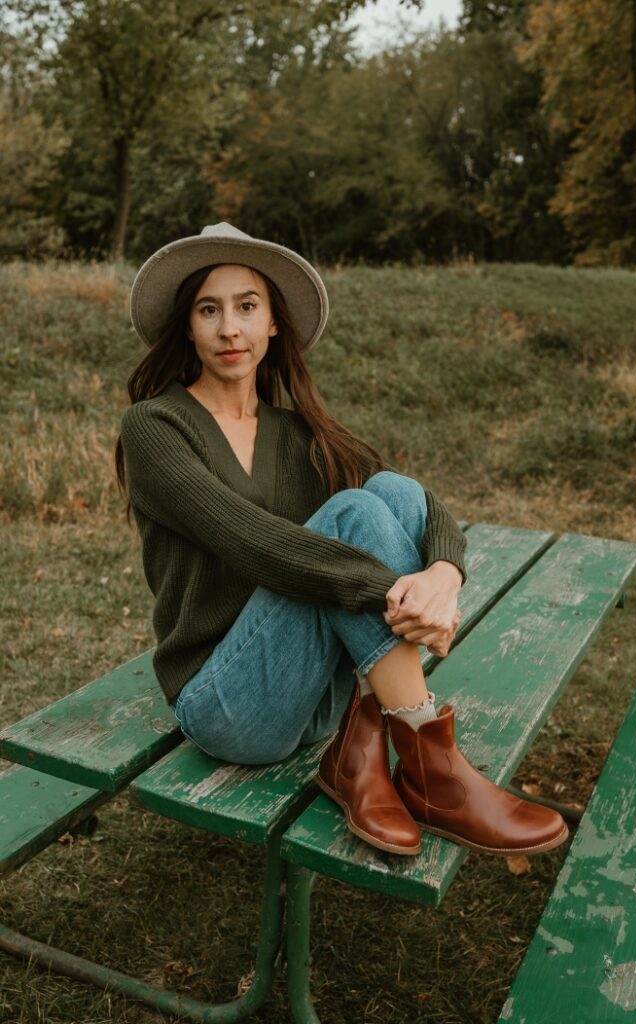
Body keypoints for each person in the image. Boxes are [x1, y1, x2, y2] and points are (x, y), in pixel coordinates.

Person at [115, 222, 568, 859]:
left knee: (391, 490)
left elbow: (418, 503)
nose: (229, 329)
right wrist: (396, 594)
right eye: (208, 310)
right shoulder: (156, 426)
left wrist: (443, 578)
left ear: (274, 323)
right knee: (352, 512)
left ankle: (364, 748)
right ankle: (435, 771)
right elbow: (250, 542)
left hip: (316, 700)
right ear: (188, 327)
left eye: (247, 307)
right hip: (227, 704)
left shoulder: (296, 432)